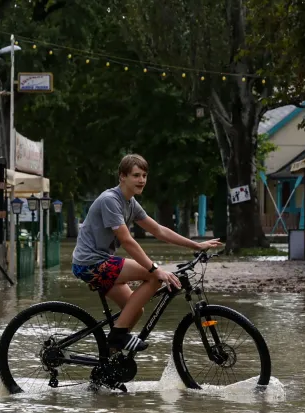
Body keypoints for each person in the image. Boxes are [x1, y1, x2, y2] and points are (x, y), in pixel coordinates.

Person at [71, 154, 222, 359]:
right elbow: (127, 241)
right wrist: (154, 269)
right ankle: (117, 336)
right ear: (122, 176)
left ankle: (108, 362)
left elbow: (159, 230)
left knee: (135, 310)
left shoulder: (130, 203)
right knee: (152, 277)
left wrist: (196, 244)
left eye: (144, 175)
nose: (142, 180)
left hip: (100, 262)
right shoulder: (110, 200)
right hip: (91, 263)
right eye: (136, 175)